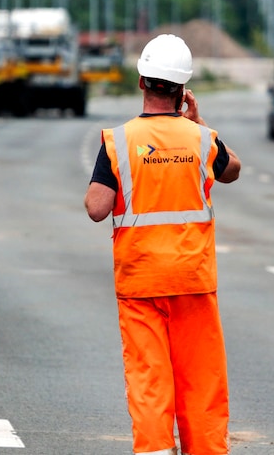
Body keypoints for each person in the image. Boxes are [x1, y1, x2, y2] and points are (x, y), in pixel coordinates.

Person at [85, 34, 241, 455]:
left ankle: (154, 451)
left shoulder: (118, 141)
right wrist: (198, 123)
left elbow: (96, 208)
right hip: (192, 278)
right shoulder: (201, 140)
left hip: (140, 283)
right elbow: (233, 171)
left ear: (141, 82)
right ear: (183, 90)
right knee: (201, 378)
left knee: (149, 378)